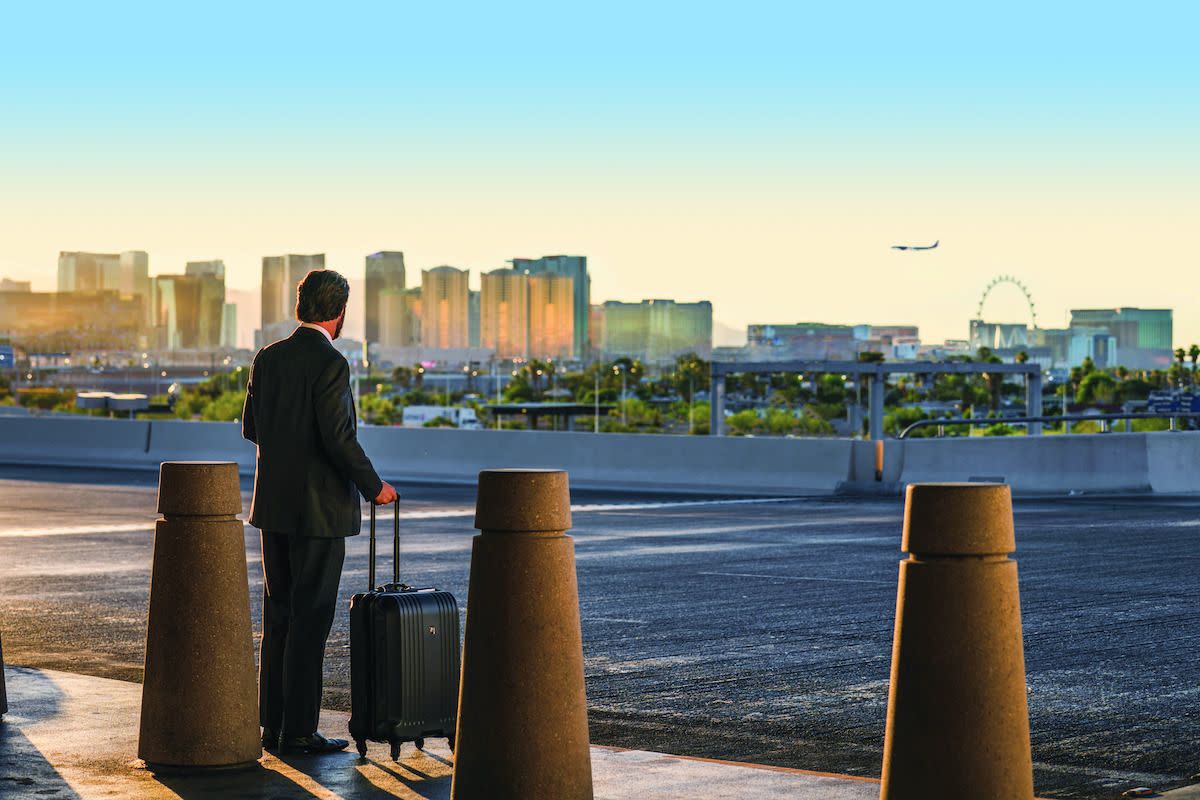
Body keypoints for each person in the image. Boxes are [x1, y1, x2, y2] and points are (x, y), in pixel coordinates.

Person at [241, 269, 398, 755]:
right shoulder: (332, 363)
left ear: (301, 306)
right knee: (310, 620)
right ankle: (302, 730)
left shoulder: (268, 358)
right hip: (319, 515)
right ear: (339, 312)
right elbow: (339, 438)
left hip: (273, 509)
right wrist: (375, 487)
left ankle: (272, 725)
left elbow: (251, 427)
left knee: (280, 616)